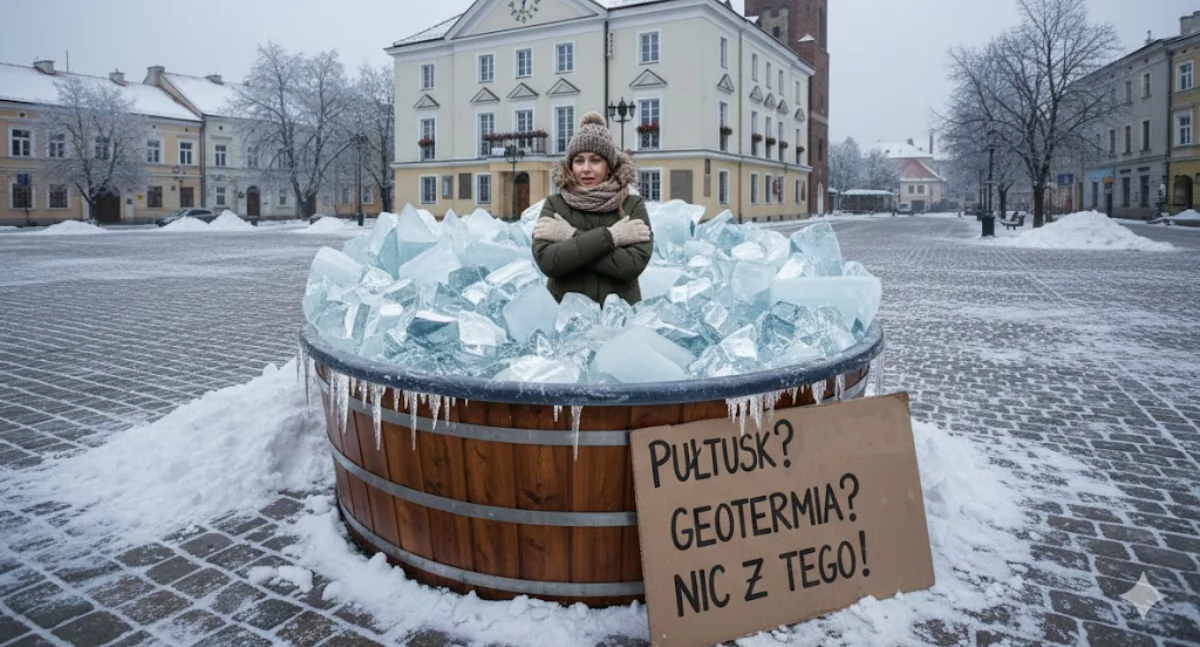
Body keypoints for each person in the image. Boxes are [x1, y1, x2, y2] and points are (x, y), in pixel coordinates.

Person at [531, 111, 653, 305]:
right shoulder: (555, 204)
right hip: (565, 317)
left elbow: (630, 266)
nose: (586, 168)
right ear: (571, 166)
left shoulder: (631, 205)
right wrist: (612, 237)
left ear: (609, 166)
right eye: (579, 161)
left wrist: (570, 236)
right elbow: (549, 263)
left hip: (619, 318)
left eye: (595, 160)